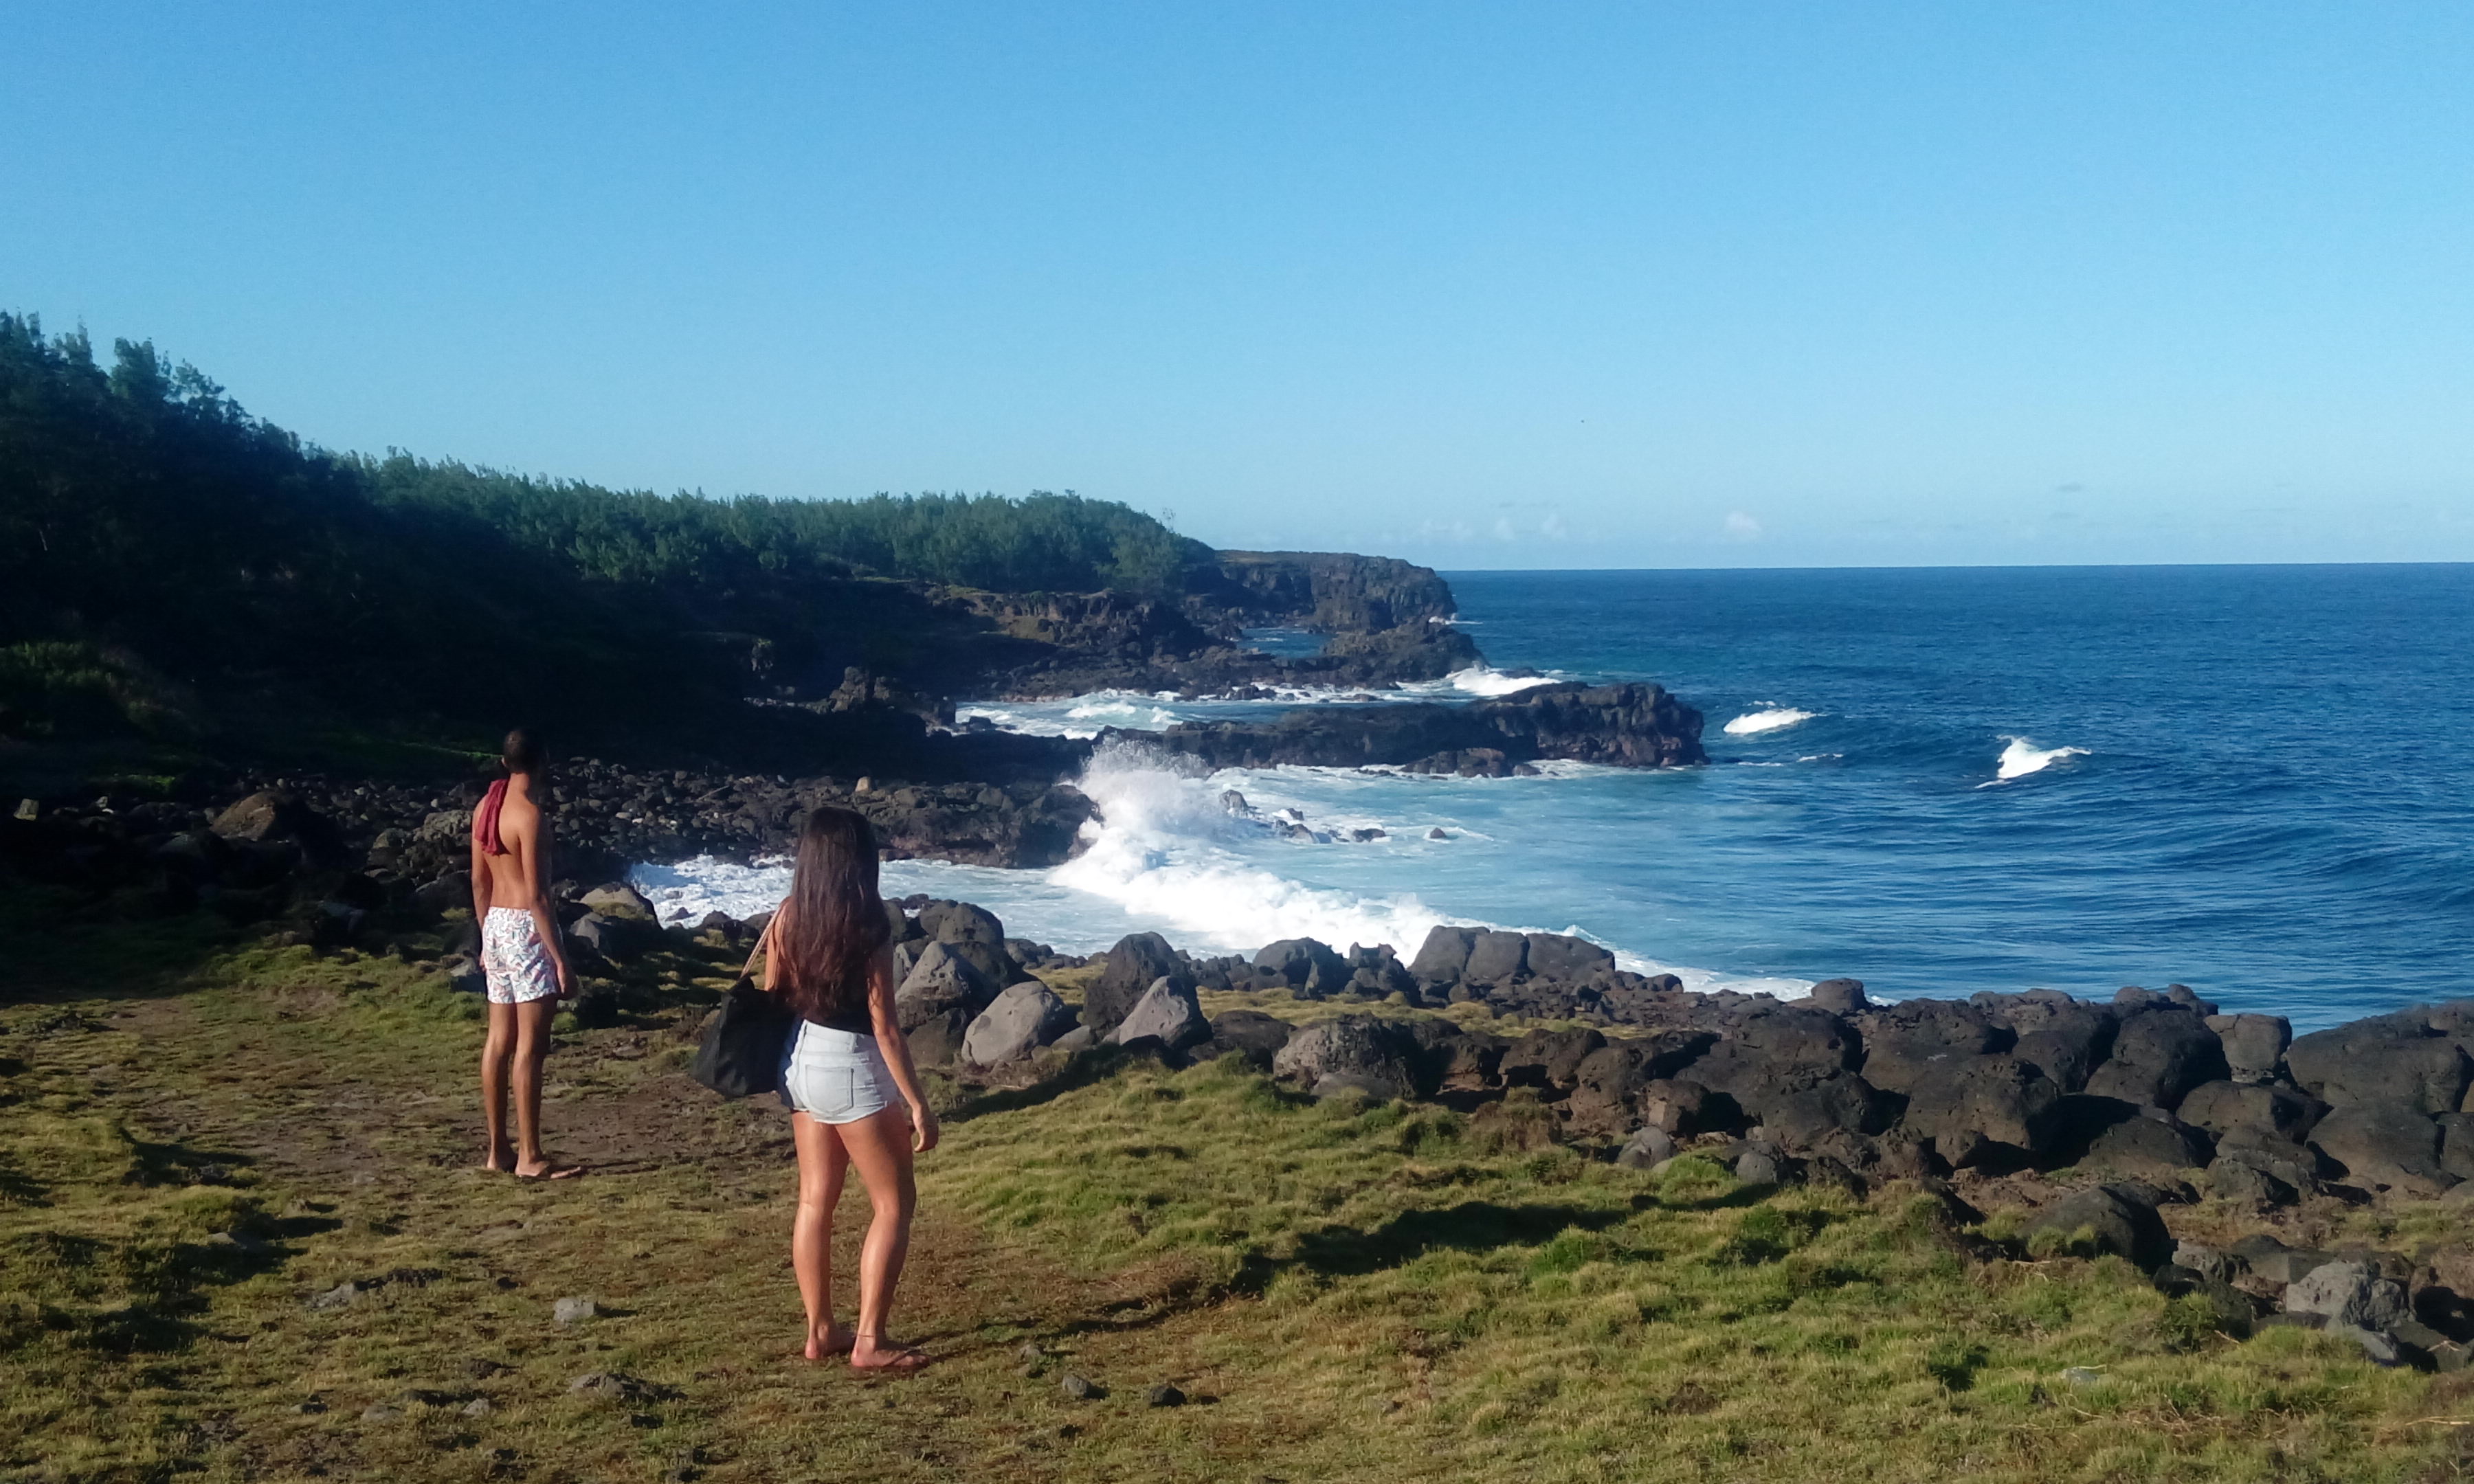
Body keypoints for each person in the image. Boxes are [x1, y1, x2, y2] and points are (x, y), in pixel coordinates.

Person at [748, 806, 939, 1371]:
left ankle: (820, 1330)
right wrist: (918, 1103)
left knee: (814, 1200)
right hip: (852, 1066)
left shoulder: (787, 915)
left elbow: (773, 993)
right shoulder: (868, 922)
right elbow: (884, 1025)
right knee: (894, 1204)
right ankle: (871, 1341)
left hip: (800, 1061)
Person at [470, 727, 581, 1179]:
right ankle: (531, 1157)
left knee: (498, 1041)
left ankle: (498, 1151)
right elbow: (537, 897)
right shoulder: (530, 816)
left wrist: (484, 938)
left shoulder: (486, 807)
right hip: (525, 929)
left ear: (505, 762)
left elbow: (479, 882)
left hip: (495, 924)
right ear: (543, 761)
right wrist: (561, 958)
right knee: (531, 1048)